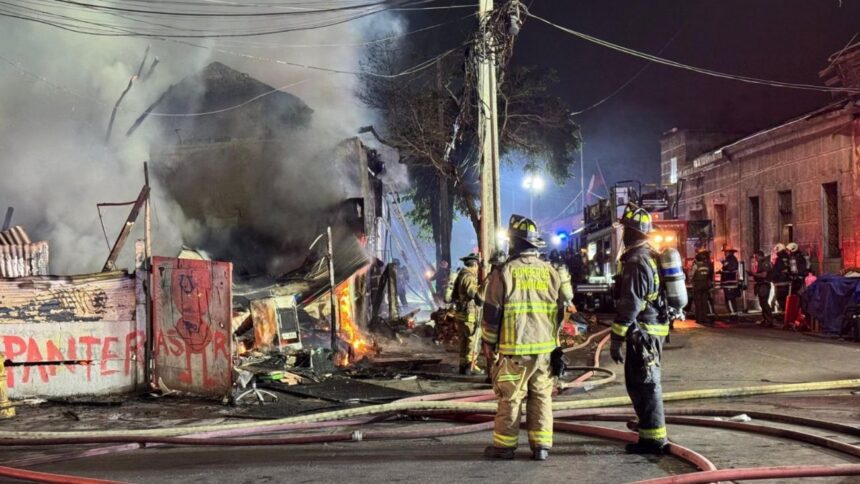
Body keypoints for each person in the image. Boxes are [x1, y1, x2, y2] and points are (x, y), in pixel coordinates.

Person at [481, 215, 562, 461]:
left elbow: (492, 312)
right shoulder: (550, 271)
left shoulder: (504, 272)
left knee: (511, 396)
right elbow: (559, 311)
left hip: (515, 349)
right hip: (545, 350)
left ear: (513, 243)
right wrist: (555, 344)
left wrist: (488, 342)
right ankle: (541, 447)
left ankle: (505, 446)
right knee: (541, 395)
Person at [610, 204, 670, 454]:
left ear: (633, 232)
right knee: (643, 383)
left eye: (626, 229)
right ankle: (648, 432)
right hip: (652, 329)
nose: (624, 234)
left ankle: (654, 440)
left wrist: (616, 337)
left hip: (642, 331)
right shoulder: (651, 255)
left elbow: (631, 303)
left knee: (645, 384)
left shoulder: (636, 260)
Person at [453, 253, 483, 375]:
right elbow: (473, 293)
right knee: (472, 340)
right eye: (477, 266)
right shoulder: (469, 277)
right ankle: (470, 366)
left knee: (463, 342)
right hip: (469, 315)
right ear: (474, 264)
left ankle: (462, 365)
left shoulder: (460, 275)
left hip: (460, 314)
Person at [751, 250, 774, 327]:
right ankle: (765, 319)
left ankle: (769, 320)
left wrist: (754, 274)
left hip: (764, 285)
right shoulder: (761, 263)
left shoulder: (765, 263)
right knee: (762, 303)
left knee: (764, 303)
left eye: (756, 256)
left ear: (759, 255)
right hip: (761, 285)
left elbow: (764, 275)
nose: (755, 258)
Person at [690, 250, 713, 325]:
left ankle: (699, 319)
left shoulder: (696, 265)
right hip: (705, 285)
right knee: (704, 302)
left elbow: (691, 275)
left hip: (697, 285)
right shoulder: (706, 265)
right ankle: (705, 318)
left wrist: (691, 281)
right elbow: (709, 275)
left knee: (698, 303)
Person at [771, 243, 791, 315]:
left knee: (780, 297)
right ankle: (786, 313)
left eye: (776, 250)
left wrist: (772, 277)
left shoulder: (779, 259)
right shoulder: (788, 257)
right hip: (787, 280)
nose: (776, 252)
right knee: (785, 297)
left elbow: (777, 269)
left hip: (780, 281)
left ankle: (784, 313)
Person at [720, 248, 740, 316]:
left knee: (730, 299)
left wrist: (723, 263)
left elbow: (731, 268)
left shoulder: (732, 259)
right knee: (729, 299)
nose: (725, 253)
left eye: (726, 252)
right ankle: (732, 314)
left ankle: (733, 314)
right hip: (728, 283)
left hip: (730, 283)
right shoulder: (730, 259)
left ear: (729, 252)